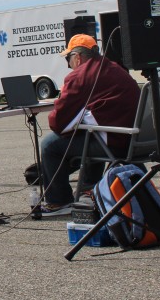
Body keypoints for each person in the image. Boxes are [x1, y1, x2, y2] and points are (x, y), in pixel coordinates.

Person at [38, 34, 140, 216]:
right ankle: (90, 188)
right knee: (90, 133)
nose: (68, 64)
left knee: (49, 145)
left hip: (114, 143)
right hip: (135, 140)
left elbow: (58, 123)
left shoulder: (80, 76)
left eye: (68, 59)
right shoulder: (115, 68)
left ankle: (58, 201)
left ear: (77, 57)